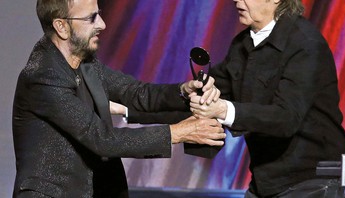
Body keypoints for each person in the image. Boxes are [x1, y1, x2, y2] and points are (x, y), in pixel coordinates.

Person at [11, 0, 226, 197]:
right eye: (91, 18)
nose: (102, 24)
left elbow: (135, 92)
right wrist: (179, 132)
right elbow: (101, 139)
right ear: (61, 27)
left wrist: (183, 91)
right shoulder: (43, 75)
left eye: (99, 14)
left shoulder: (85, 62)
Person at [188, 0, 345, 197]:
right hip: (266, 181)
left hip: (309, 182)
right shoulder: (243, 44)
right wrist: (148, 98)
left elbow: (286, 117)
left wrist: (223, 110)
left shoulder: (305, 43)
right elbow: (210, 93)